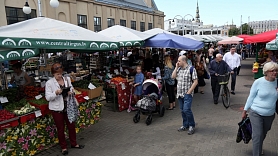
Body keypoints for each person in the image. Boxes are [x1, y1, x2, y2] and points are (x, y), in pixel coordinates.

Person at [45, 63, 84, 155]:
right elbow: (48, 97)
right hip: (57, 109)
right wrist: (56, 93)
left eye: (60, 73)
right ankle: (63, 147)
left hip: (68, 106)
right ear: (53, 74)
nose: (59, 75)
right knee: (60, 128)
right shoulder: (49, 83)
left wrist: (71, 92)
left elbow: (72, 89)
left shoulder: (67, 79)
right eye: (57, 74)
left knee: (71, 126)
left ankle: (74, 143)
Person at [242, 62, 278, 156]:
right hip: (256, 112)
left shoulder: (277, 82)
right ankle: (256, 153)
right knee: (257, 135)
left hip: (270, 114)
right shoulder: (258, 82)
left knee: (263, 133)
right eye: (272, 70)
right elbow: (251, 97)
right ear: (266, 71)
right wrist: (245, 110)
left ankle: (259, 146)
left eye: (276, 70)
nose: (275, 72)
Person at [172, 55, 198, 135]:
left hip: (187, 93)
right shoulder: (179, 69)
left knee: (186, 109)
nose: (178, 62)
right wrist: (176, 67)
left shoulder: (191, 69)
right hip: (179, 93)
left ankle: (191, 125)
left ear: (184, 61)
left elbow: (195, 81)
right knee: (182, 110)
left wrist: (189, 91)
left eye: (179, 61)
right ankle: (185, 124)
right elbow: (173, 77)